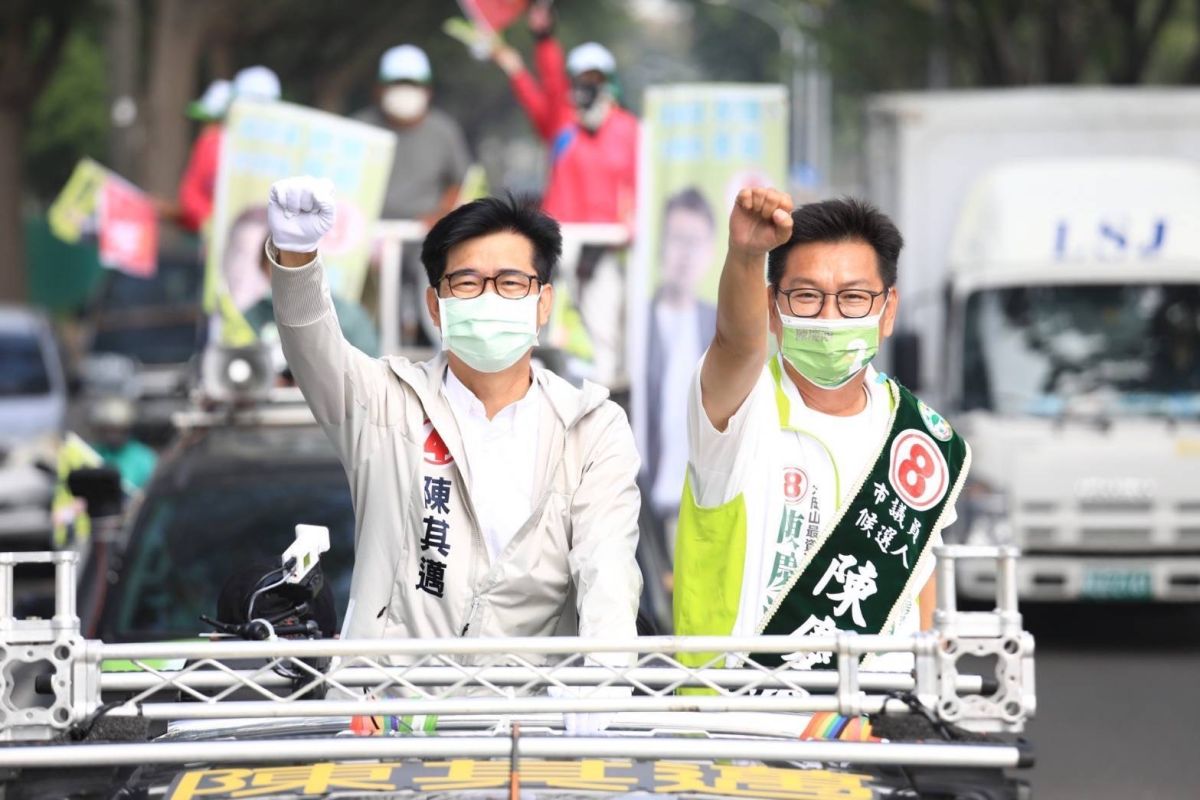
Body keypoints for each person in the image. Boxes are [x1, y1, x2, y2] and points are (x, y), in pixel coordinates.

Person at [262, 176, 642, 654]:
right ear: (435, 307)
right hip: (388, 714)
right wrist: (296, 258)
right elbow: (312, 346)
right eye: (465, 282)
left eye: (509, 282)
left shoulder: (592, 428)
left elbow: (607, 568)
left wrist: (603, 690)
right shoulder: (384, 403)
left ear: (543, 303)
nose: (487, 297)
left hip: (530, 720)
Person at [674, 188, 970, 674]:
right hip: (739, 733)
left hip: (874, 736)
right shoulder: (739, 406)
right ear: (773, 307)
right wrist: (748, 255)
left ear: (888, 309)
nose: (830, 317)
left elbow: (923, 602)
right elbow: (735, 343)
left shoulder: (919, 438)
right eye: (807, 296)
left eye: (854, 297)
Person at [491, 6, 637, 225]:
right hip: (562, 237)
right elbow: (550, 80)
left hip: (610, 240)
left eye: (595, 78)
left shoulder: (629, 128)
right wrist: (543, 37)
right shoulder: (561, 122)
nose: (588, 86)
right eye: (581, 78)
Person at [644, 188, 718, 529]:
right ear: (660, 244)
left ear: (711, 251)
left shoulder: (720, 326)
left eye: (695, 242)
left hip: (703, 501)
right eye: (677, 239)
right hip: (644, 499)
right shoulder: (637, 322)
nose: (685, 254)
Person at [354, 45, 470, 225]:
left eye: (412, 84)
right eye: (397, 84)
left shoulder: (443, 131)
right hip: (366, 235)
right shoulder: (359, 128)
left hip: (422, 240)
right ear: (378, 89)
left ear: (428, 90)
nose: (404, 91)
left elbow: (461, 184)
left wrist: (443, 213)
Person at [178, 66, 281, 234]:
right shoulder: (214, 142)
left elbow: (191, 199)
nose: (207, 127)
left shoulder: (214, 142)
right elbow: (191, 199)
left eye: (212, 120)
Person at [243, 234, 380, 362]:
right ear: (264, 268)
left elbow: (368, 371)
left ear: (315, 265)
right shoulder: (253, 317)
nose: (289, 275)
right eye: (278, 267)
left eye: (296, 265)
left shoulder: (349, 318)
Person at [88, 395, 157, 491]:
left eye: (116, 430)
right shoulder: (92, 454)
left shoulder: (144, 458)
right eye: (107, 430)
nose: (111, 436)